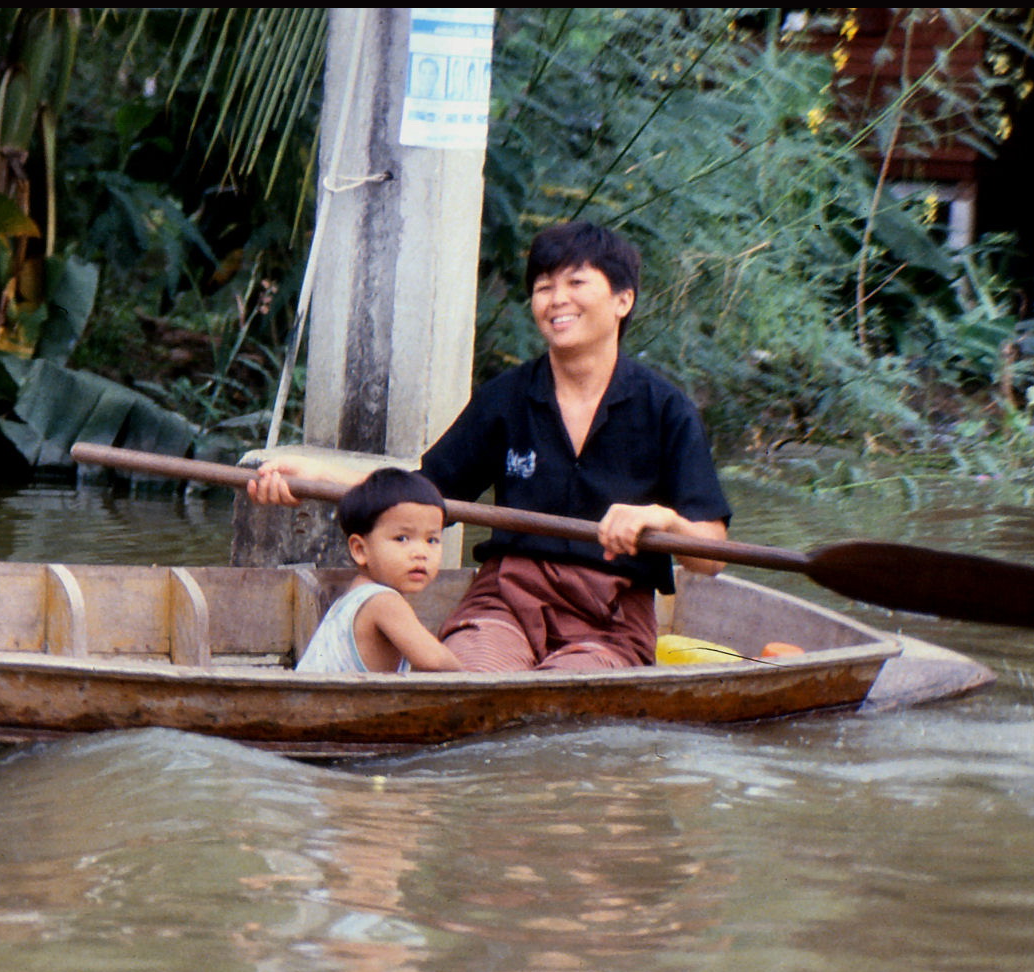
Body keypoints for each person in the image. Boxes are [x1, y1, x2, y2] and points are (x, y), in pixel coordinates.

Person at [253, 221, 731, 672]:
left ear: (623, 300)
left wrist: (661, 518)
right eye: (543, 287)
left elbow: (709, 556)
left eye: (576, 283)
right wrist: (308, 477)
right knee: (471, 685)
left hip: (609, 622)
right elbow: (421, 491)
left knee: (563, 710)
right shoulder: (506, 397)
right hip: (505, 601)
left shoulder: (667, 409)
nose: (556, 300)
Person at [295, 468, 465, 673]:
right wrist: (474, 679)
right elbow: (434, 660)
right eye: (402, 538)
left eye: (432, 540)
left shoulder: (355, 595)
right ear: (360, 550)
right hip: (340, 704)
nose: (421, 553)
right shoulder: (383, 602)